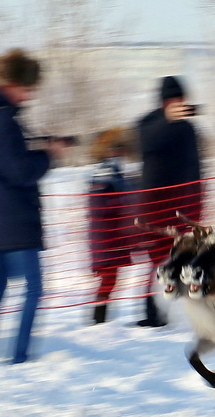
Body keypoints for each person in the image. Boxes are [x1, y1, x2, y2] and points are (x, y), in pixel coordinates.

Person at [0, 49, 66, 364]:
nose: (30, 94)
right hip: (16, 220)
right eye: (27, 87)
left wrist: (40, 146)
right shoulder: (3, 121)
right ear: (13, 83)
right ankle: (20, 357)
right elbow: (19, 171)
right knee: (34, 289)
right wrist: (50, 155)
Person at [137, 75, 203, 327]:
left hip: (182, 210)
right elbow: (146, 142)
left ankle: (174, 313)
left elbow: (195, 171)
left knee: (179, 261)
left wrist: (195, 211)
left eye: (181, 99)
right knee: (159, 262)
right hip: (153, 211)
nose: (179, 104)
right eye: (173, 100)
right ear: (164, 102)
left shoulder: (188, 130)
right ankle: (155, 314)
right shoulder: (149, 123)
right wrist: (167, 120)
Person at [86, 127, 162, 325]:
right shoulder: (102, 172)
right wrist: (125, 199)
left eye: (121, 149)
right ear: (106, 150)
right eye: (116, 149)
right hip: (105, 237)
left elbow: (129, 195)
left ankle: (101, 321)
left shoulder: (117, 171)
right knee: (108, 279)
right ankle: (98, 322)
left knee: (111, 280)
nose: (119, 153)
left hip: (118, 235)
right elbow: (99, 206)